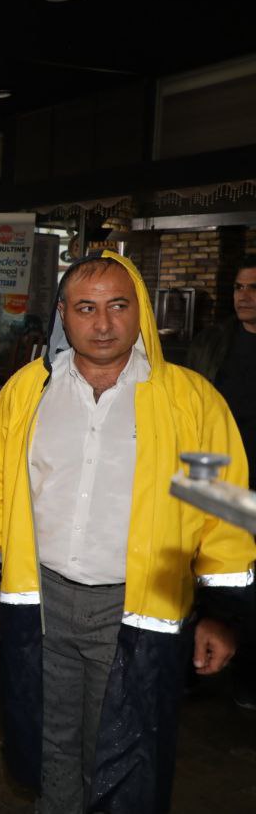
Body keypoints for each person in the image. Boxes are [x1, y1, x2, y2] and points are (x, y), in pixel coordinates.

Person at [0, 253, 255, 813]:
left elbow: (224, 516)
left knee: (123, 758)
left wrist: (222, 615)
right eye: (86, 308)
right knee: (50, 750)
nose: (102, 324)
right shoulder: (28, 392)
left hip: (137, 610)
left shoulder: (191, 401)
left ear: (139, 310)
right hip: (41, 600)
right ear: (63, 316)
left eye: (118, 306)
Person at [187, 253, 256, 707]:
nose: (244, 296)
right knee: (220, 578)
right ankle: (210, 666)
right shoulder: (214, 343)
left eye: (253, 288)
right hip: (225, 481)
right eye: (238, 288)